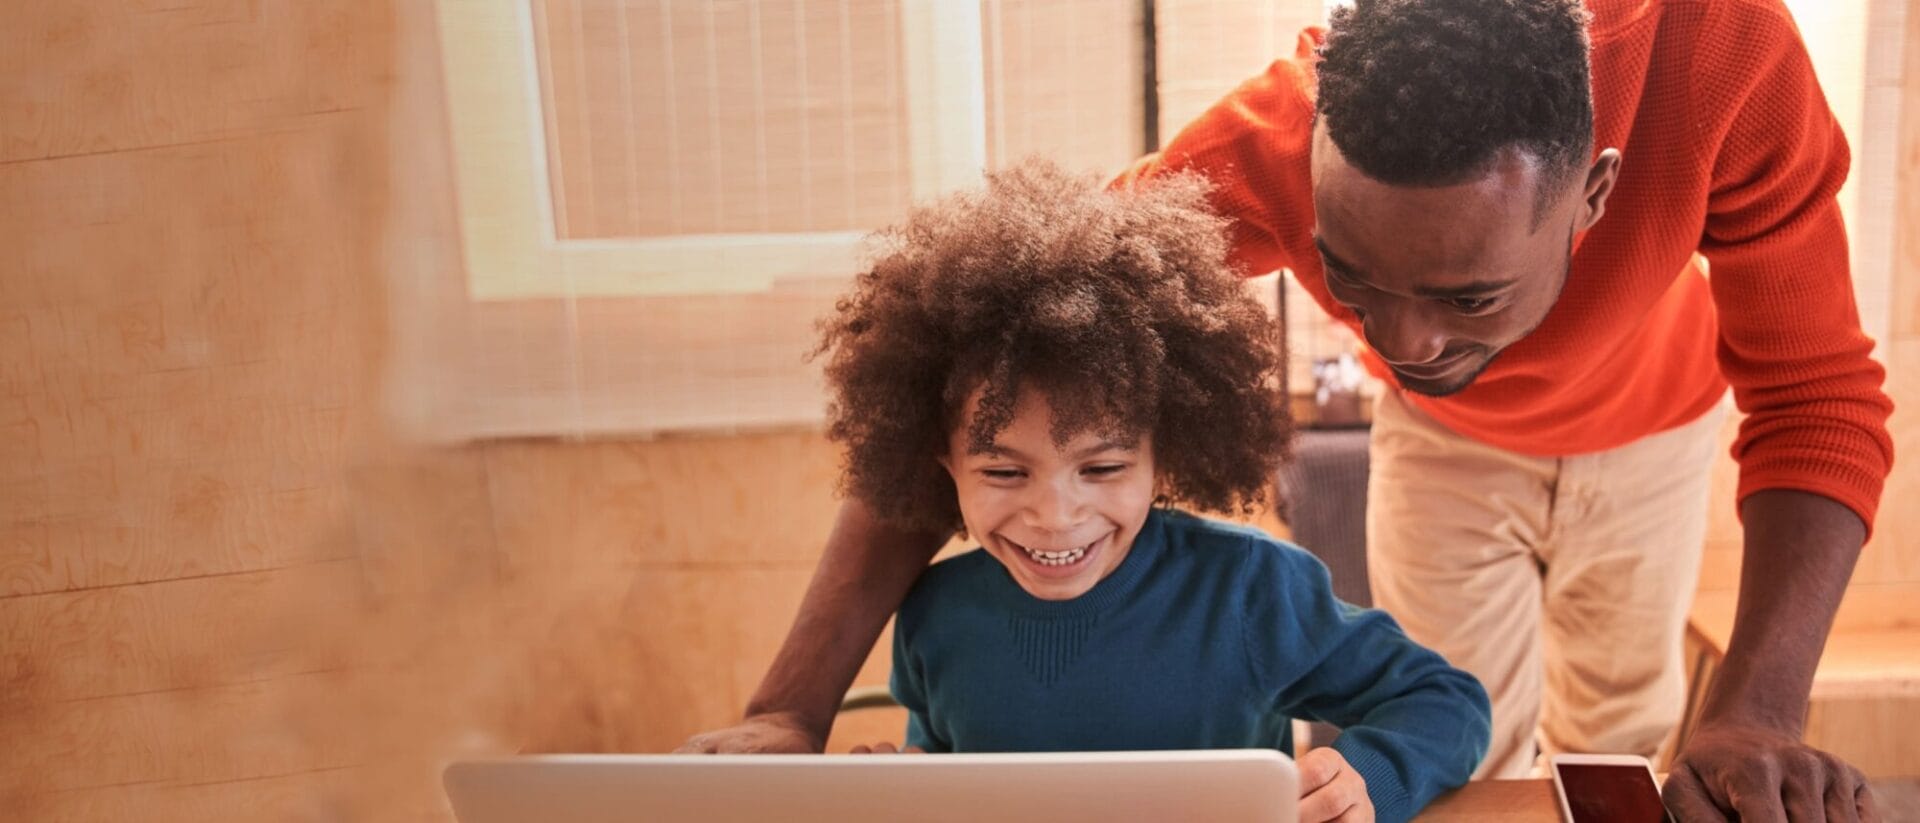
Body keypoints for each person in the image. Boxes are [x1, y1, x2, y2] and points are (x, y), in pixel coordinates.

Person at [683, 1, 1894, 820]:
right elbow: (986, 366)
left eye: (1468, 293)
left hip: (1660, 422)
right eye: (1356, 280)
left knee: (1621, 731)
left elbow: (1816, 394)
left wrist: (1756, 706)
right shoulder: (1261, 148)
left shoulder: (1723, 57)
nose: (1407, 343)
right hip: (1453, 453)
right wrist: (789, 704)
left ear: (1594, 194)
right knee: (1473, 729)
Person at [816, 162, 1491, 823]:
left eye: (1102, 469)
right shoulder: (935, 614)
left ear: (1161, 457)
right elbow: (945, 753)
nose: (1055, 516)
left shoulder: (1249, 589)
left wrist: (1368, 781)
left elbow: (1446, 701)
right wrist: (905, 779)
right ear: (945, 463)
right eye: (1003, 471)